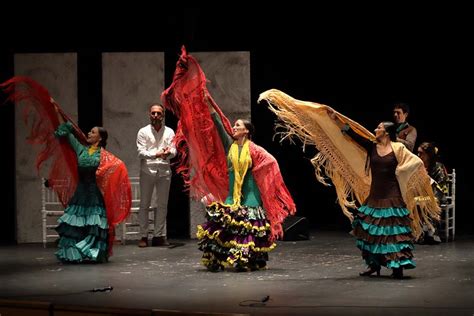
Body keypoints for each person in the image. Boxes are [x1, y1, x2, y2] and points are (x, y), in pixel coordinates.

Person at [258, 89, 440, 279]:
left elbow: (415, 162)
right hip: (375, 195)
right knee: (370, 232)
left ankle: (397, 267)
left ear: (386, 133)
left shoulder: (398, 148)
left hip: (392, 196)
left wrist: (402, 172)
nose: (375, 130)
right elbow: (352, 134)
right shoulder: (372, 147)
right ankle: (374, 265)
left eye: (378, 128)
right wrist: (335, 120)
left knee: (393, 233)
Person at [161, 47, 296, 272]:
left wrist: (263, 175)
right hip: (232, 192)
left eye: (238, 126)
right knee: (224, 223)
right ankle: (219, 258)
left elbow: (271, 162)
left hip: (250, 193)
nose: (234, 127)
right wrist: (208, 102)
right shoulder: (230, 146)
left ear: (247, 132)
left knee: (248, 225)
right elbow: (218, 124)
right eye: (234, 126)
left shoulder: (255, 150)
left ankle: (246, 258)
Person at [0, 76, 132, 263]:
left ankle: (92, 252)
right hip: (81, 193)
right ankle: (77, 253)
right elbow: (66, 131)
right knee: (77, 222)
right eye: (89, 131)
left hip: (94, 194)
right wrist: (56, 110)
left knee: (93, 223)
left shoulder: (105, 156)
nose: (88, 133)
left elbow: (117, 166)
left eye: (93, 132)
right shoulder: (80, 149)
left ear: (100, 138)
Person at [136, 103, 176, 248]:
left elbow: (174, 150)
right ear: (149, 114)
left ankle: (158, 236)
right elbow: (141, 152)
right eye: (153, 113)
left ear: (163, 115)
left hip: (164, 170)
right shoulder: (143, 131)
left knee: (162, 205)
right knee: (145, 204)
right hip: (148, 170)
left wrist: (168, 153)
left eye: (158, 113)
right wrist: (156, 154)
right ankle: (144, 236)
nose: (156, 116)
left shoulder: (170, 132)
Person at [417, 142, 449, 244]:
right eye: (418, 153)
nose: (419, 156)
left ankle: (431, 232)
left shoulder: (438, 167)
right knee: (414, 201)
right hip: (422, 195)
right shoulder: (418, 167)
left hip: (437, 195)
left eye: (421, 153)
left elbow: (441, 186)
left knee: (430, 201)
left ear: (429, 155)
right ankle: (420, 232)